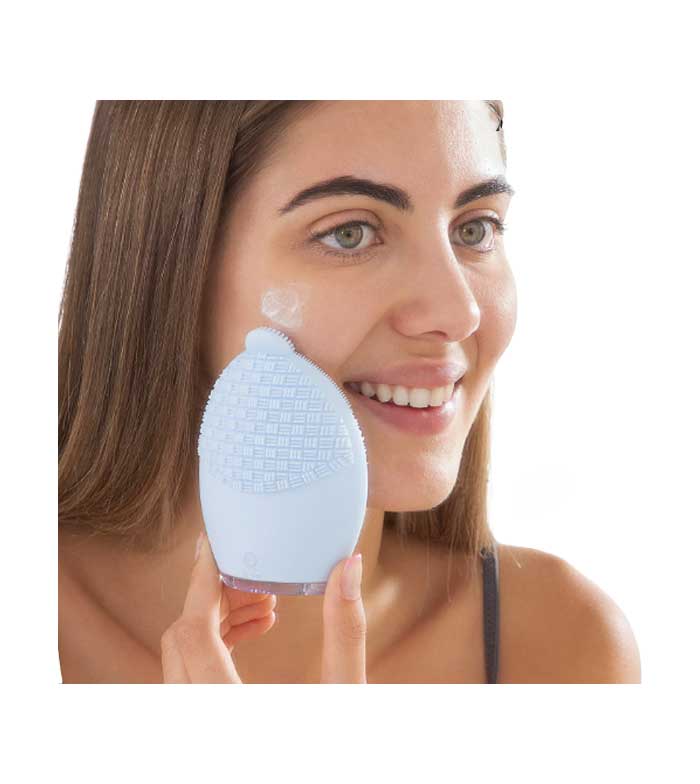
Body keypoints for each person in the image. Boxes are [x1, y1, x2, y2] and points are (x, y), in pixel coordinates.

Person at [58, 100, 641, 683]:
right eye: (349, 234)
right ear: (169, 268)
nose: (457, 312)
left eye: (475, 229)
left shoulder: (565, 647)